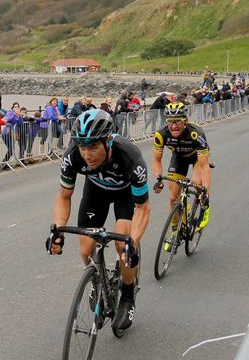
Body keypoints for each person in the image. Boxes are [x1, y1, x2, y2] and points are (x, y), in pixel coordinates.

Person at [48, 109, 150, 333]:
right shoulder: (73, 154)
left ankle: (128, 292)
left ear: (108, 142)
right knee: (86, 249)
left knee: (122, 246)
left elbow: (143, 207)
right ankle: (97, 279)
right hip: (96, 192)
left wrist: (133, 241)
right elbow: (64, 195)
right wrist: (58, 231)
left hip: (126, 195)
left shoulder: (130, 157)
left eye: (93, 146)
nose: (87, 154)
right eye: (83, 147)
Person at [151, 102, 211, 233]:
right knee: (173, 197)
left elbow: (204, 166)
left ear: (186, 121)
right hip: (179, 158)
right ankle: (175, 230)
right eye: (170, 121)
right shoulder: (161, 134)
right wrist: (158, 179)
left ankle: (205, 206)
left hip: (197, 158)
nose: (174, 126)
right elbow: (156, 160)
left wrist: (205, 192)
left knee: (196, 182)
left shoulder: (196, 133)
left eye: (178, 121)